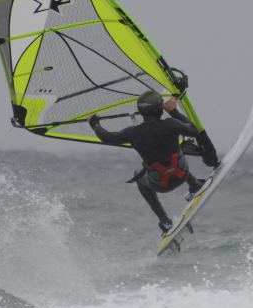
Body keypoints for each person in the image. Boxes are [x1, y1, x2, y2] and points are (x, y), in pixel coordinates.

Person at [88, 91, 209, 234]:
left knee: (138, 176)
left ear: (140, 112)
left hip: (161, 184)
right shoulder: (171, 124)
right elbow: (194, 130)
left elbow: (107, 137)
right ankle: (195, 185)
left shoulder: (133, 133)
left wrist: (95, 123)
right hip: (182, 174)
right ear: (160, 109)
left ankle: (165, 221)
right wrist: (174, 111)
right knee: (177, 154)